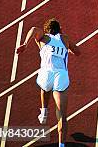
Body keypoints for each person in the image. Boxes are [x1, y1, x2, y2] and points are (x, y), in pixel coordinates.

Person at [16, 18, 81, 147]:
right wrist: (67, 50)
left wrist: (25, 44)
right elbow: (78, 52)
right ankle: (61, 145)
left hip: (46, 73)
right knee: (62, 114)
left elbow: (33, 29)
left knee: (45, 86)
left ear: (46, 30)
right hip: (61, 74)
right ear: (59, 29)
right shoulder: (65, 38)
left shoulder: (42, 38)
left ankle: (44, 111)